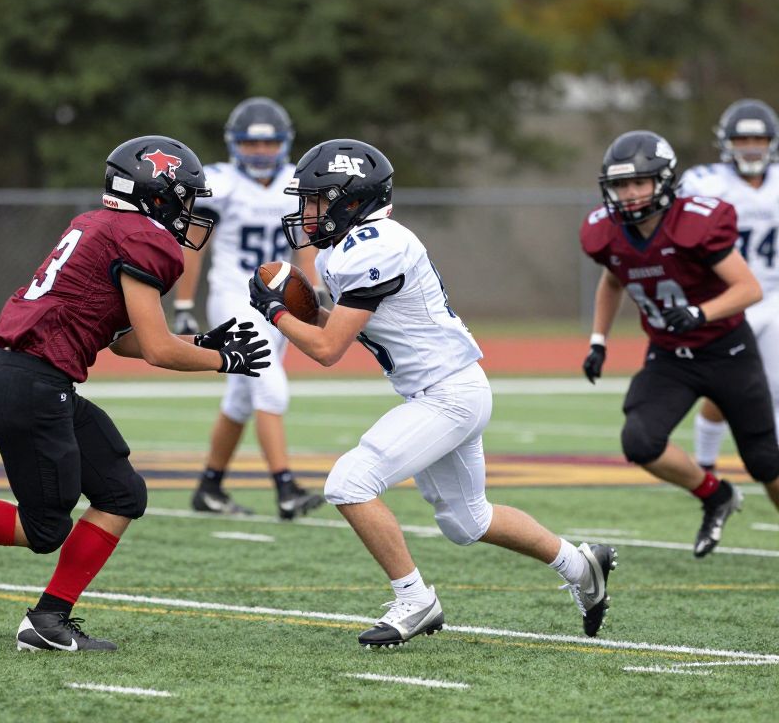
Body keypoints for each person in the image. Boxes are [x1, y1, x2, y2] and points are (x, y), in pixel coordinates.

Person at [0, 135, 270, 652]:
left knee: (122, 492)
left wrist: (200, 342)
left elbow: (124, 342)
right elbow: (160, 351)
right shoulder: (143, 239)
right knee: (44, 528)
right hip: (33, 384)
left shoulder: (94, 224)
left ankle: (49, 618)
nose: (189, 209)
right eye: (183, 196)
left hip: (25, 379)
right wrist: (222, 359)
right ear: (156, 194)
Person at [248, 138, 616, 648]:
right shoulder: (353, 248)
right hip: (446, 389)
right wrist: (300, 314)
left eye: (317, 199)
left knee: (349, 483)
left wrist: (278, 313)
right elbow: (350, 329)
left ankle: (416, 599)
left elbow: (329, 349)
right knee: (470, 521)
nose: (307, 211)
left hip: (448, 395)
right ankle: (582, 567)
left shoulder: (377, 246)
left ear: (350, 201)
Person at [581, 129, 779, 557]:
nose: (629, 194)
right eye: (620, 184)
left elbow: (748, 289)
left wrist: (699, 312)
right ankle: (715, 495)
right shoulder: (608, 232)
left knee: (766, 462)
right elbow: (613, 279)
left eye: (638, 182)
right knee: (640, 441)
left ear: (664, 181)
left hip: (728, 351)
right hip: (670, 356)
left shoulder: (695, 223)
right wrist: (599, 340)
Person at [172, 97, 324, 519]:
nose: (260, 152)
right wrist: (184, 302)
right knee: (268, 383)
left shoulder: (296, 183)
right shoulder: (220, 183)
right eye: (251, 144)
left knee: (241, 396)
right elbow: (193, 246)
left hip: (280, 298)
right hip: (233, 296)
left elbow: (304, 244)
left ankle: (209, 488)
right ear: (235, 144)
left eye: (269, 143)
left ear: (285, 142)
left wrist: (314, 293)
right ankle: (286, 489)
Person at [677, 99, 779, 474]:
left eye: (759, 138)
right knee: (726, 388)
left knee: (775, 387)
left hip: (774, 296)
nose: (751, 146)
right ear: (727, 143)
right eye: (743, 138)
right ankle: (705, 462)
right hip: (726, 296)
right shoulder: (706, 182)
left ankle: (772, 466)